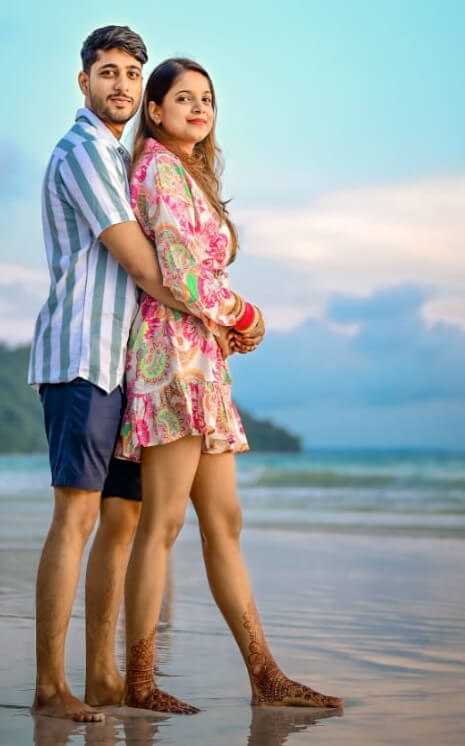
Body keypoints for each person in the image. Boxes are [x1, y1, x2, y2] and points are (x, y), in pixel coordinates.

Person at [26, 27, 252, 723]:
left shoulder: (122, 159)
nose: (120, 85)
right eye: (108, 73)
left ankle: (103, 677)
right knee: (78, 515)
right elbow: (142, 264)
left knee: (121, 520)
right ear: (83, 82)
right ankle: (48, 685)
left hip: (125, 361)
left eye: (130, 73)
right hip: (83, 354)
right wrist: (225, 314)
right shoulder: (86, 154)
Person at [116, 58, 343, 714]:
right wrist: (244, 315)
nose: (198, 106)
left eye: (206, 98)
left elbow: (195, 281)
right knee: (160, 522)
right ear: (153, 111)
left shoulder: (191, 175)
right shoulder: (157, 170)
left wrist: (225, 330)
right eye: (182, 97)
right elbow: (180, 276)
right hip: (170, 361)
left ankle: (265, 676)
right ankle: (140, 680)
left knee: (225, 521)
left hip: (201, 358)